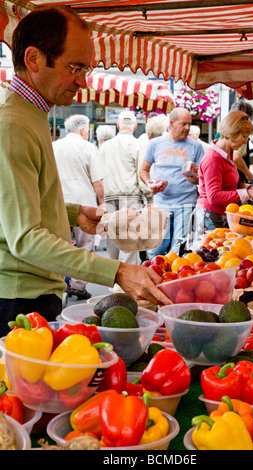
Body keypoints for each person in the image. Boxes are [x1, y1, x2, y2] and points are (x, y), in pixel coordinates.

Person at [0, 5, 171, 336]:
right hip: (18, 297)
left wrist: (73, 213)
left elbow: (14, 209)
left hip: (31, 290)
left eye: (86, 68)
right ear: (34, 60)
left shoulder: (30, 115)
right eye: (74, 67)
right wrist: (116, 271)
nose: (83, 80)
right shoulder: (13, 125)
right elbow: (23, 238)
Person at [53, 114, 107, 300]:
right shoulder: (88, 147)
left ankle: (62, 284)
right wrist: (102, 203)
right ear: (83, 130)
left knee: (60, 245)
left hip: (57, 203)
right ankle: (78, 286)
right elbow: (97, 181)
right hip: (84, 205)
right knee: (85, 246)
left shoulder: (53, 146)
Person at [140, 107, 204, 258]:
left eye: (189, 124)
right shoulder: (155, 144)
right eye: (183, 124)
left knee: (179, 249)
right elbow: (143, 170)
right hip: (161, 204)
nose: (187, 128)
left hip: (186, 204)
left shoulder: (196, 146)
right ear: (171, 123)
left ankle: (173, 279)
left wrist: (196, 180)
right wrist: (149, 183)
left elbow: (204, 176)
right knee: (156, 249)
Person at [194, 111, 253, 236]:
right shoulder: (214, 158)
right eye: (244, 137)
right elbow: (214, 196)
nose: (245, 142)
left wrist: (249, 189)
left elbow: (228, 185)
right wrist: (246, 193)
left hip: (223, 215)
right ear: (231, 134)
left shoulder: (226, 154)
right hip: (211, 217)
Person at [98, 110, 146, 265]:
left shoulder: (105, 147)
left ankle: (114, 272)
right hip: (131, 197)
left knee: (112, 235)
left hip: (109, 196)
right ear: (135, 126)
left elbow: (98, 174)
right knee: (130, 237)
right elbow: (141, 173)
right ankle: (126, 276)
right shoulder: (138, 144)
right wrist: (149, 197)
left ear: (118, 125)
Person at [230, 100, 253, 185]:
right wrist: (248, 173)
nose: (244, 142)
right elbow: (236, 157)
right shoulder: (240, 133)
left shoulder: (223, 132)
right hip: (236, 183)